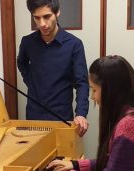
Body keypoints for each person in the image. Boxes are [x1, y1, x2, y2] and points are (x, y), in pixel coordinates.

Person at [17, 0, 90, 136]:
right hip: (34, 116)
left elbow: (82, 82)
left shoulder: (74, 44)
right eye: (37, 18)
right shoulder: (27, 42)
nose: (42, 24)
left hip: (61, 116)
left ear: (57, 13)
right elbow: (21, 63)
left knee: (62, 157)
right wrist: (31, 82)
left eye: (47, 16)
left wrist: (81, 113)